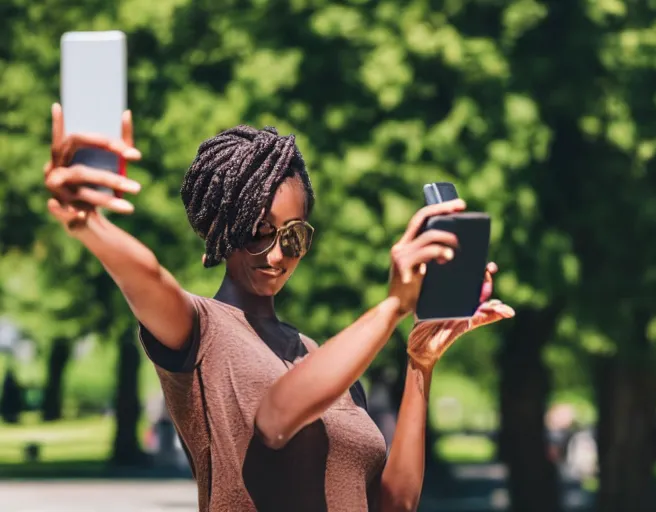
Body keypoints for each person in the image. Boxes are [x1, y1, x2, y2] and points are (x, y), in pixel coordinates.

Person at [44, 104, 514, 511]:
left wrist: (419, 365)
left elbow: (395, 504)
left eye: (292, 236)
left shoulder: (322, 359)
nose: (274, 255)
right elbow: (277, 415)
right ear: (221, 229)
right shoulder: (198, 330)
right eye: (256, 231)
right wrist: (88, 224)